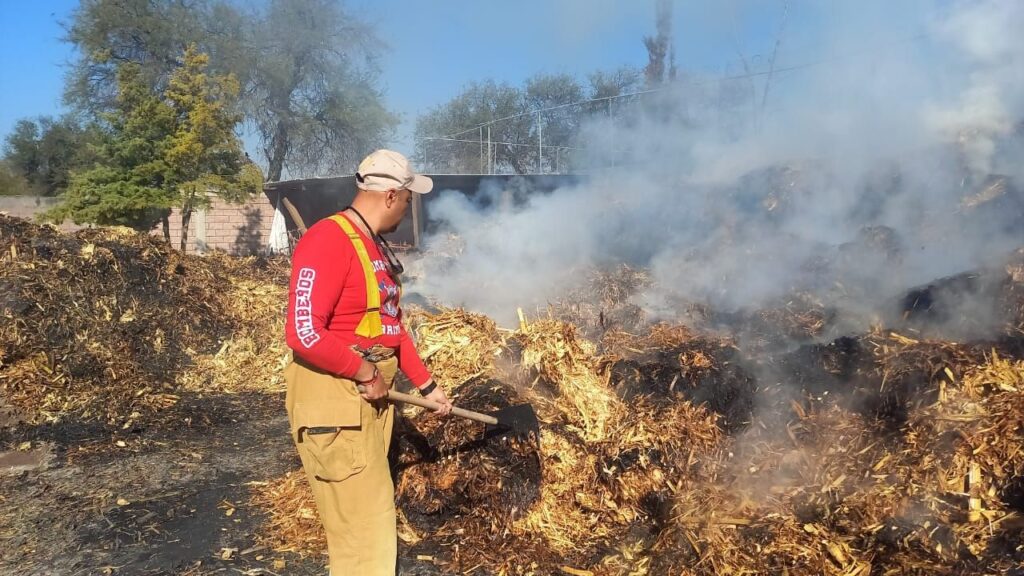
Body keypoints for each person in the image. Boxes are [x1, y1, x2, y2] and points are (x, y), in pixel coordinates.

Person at [283, 149, 453, 575]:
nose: (408, 208)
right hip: (338, 398)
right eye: (408, 199)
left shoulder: (372, 246)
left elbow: (390, 328)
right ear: (391, 195)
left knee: (370, 520)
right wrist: (363, 371)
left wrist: (428, 387)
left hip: (369, 397)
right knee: (365, 535)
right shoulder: (327, 240)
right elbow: (302, 332)